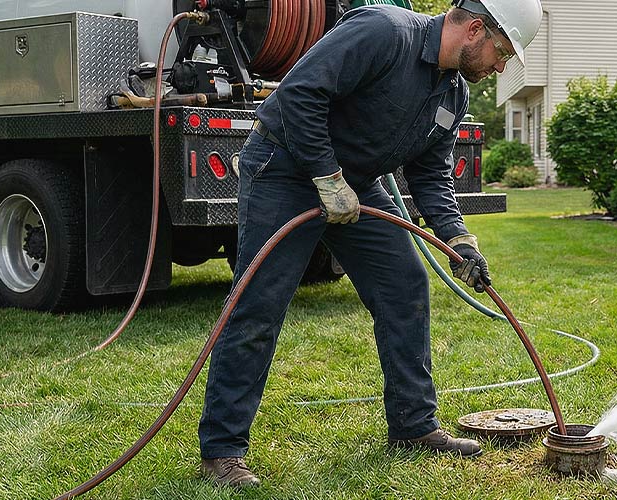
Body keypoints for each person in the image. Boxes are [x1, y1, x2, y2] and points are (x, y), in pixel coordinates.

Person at [196, 0, 543, 488]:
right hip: (286, 168)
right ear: (476, 30)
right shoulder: (383, 32)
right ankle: (222, 451)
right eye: (501, 52)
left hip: (355, 186)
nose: (501, 66)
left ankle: (414, 427)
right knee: (259, 305)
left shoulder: (452, 94)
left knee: (404, 285)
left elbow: (431, 174)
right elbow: (300, 94)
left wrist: (458, 237)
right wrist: (326, 175)